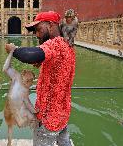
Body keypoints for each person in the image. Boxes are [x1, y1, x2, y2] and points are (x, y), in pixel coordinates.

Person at [5, 11, 76, 146]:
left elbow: (29, 55)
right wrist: (42, 60)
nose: (37, 34)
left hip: (47, 118)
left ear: (50, 25)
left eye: (38, 29)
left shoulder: (55, 44)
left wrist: (13, 50)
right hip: (62, 114)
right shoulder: (68, 45)